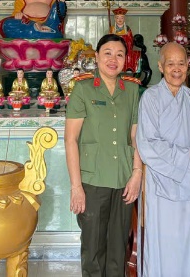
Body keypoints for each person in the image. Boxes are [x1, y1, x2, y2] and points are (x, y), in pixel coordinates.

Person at [136, 42, 190, 277]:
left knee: (189, 238)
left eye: (181, 64)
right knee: (163, 242)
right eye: (170, 64)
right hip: (161, 181)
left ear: (188, 66)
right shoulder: (150, 98)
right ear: (160, 66)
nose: (176, 69)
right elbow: (147, 144)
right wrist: (187, 154)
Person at [65, 34, 142, 277]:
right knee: (93, 250)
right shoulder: (83, 88)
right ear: (97, 57)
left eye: (119, 54)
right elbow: (70, 139)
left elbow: (135, 136)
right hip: (92, 180)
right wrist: (76, 187)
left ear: (126, 60)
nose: (113, 59)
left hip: (123, 180)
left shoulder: (132, 89)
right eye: (107, 53)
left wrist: (137, 174)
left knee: (118, 249)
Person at [109, 7, 140, 73]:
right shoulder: (112, 28)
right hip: (115, 46)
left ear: (124, 19)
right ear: (115, 19)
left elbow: (130, 39)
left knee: (128, 53)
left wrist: (125, 41)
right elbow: (109, 39)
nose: (120, 20)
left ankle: (128, 67)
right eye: (118, 18)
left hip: (126, 46)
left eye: (122, 18)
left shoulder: (127, 28)